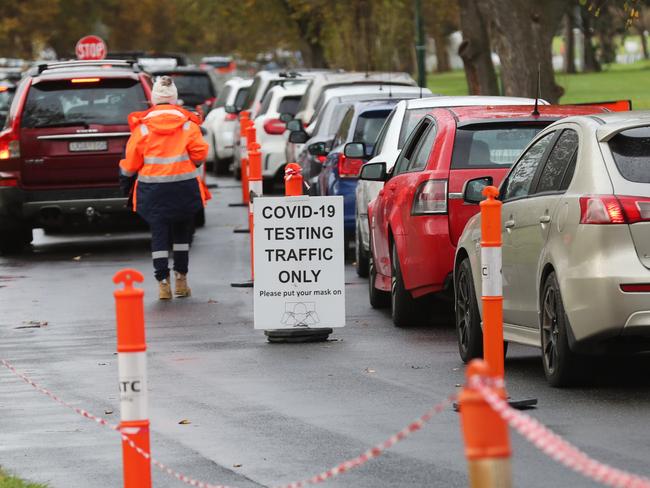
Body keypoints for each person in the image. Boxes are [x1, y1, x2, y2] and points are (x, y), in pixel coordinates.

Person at [119, 76, 209, 300]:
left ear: (153, 99)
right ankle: (181, 280)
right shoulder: (188, 124)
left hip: (153, 190)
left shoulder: (143, 129)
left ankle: (162, 283)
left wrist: (125, 180)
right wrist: (190, 163)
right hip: (184, 188)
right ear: (175, 98)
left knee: (159, 234)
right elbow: (200, 153)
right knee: (182, 233)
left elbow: (130, 165)